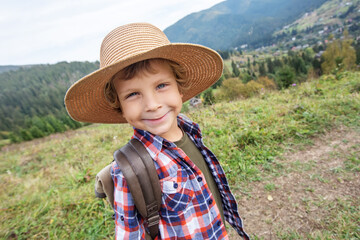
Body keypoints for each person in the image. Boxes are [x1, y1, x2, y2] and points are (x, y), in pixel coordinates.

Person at [65, 22, 249, 240]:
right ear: (120, 108)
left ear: (180, 89)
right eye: (133, 94)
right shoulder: (130, 171)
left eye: (161, 85)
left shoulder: (189, 131)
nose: (152, 105)